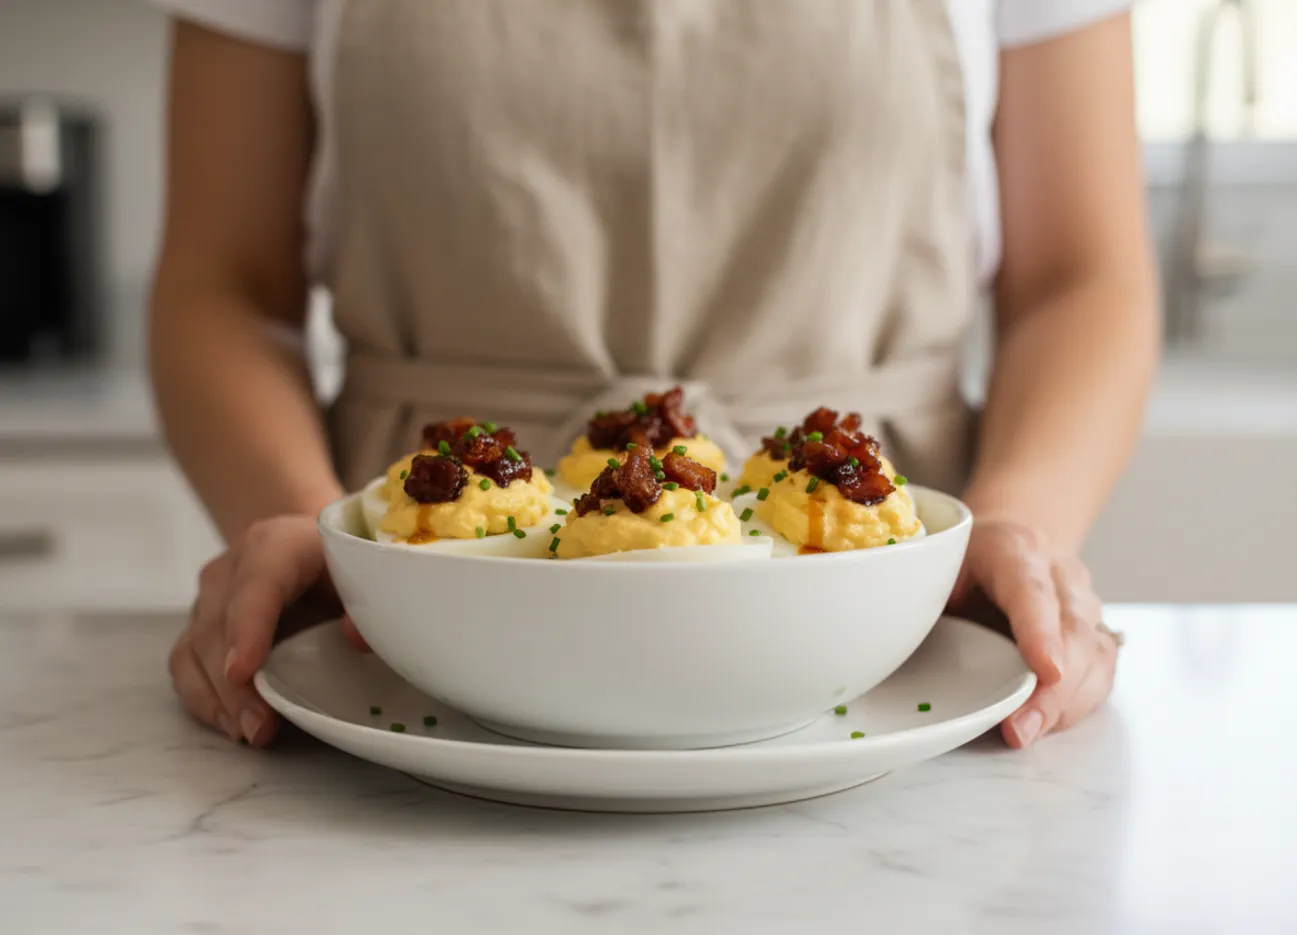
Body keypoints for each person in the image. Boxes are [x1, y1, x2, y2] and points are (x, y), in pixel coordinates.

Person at [149, 1, 1158, 750]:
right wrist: (305, 530)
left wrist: (1016, 523)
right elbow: (222, 284)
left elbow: (1081, 276)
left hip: (887, 630)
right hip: (404, 632)